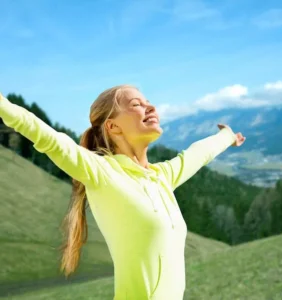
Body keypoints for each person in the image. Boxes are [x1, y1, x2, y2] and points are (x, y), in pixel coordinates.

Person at [0, 85, 246, 300]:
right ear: (113, 126)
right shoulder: (101, 173)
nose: (150, 108)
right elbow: (48, 138)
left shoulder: (162, 177)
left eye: (149, 103)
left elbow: (197, 154)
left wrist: (226, 137)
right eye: (137, 104)